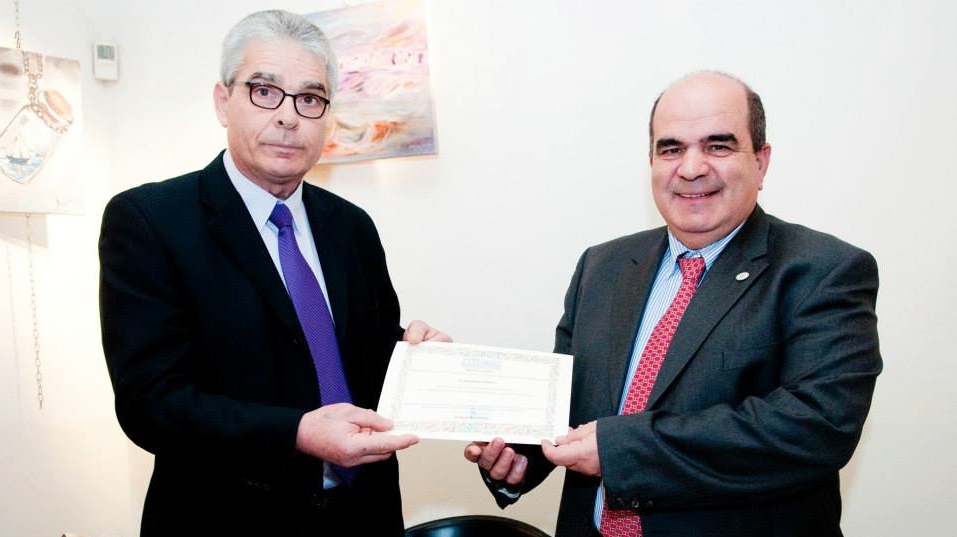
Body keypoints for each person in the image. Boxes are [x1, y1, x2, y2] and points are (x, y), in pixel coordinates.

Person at [465, 71, 881, 537]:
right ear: (651, 162)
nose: (691, 168)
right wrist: (520, 457)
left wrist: (621, 448)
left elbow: (815, 427)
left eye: (718, 146)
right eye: (671, 149)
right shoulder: (602, 266)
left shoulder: (823, 270)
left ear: (761, 162)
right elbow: (568, 404)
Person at [98, 10, 449, 537]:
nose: (288, 116)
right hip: (226, 520)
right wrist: (297, 432)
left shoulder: (351, 226)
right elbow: (151, 402)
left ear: (327, 115)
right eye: (264, 91)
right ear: (223, 101)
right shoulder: (150, 221)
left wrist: (415, 357)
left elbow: (358, 356)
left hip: (362, 516)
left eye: (309, 98)